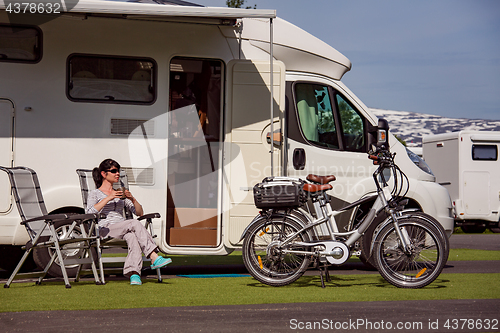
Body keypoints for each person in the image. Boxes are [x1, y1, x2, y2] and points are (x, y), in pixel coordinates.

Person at [86, 158, 171, 285]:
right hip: (105, 229)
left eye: (118, 171)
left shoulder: (120, 194)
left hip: (122, 227)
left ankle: (134, 274)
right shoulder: (95, 193)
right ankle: (153, 256)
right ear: (104, 174)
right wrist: (108, 198)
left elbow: (139, 213)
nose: (117, 174)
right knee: (134, 223)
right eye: (114, 171)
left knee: (132, 236)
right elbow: (89, 212)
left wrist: (133, 199)